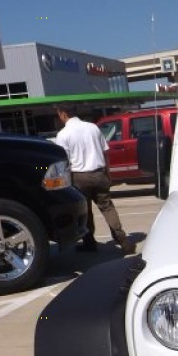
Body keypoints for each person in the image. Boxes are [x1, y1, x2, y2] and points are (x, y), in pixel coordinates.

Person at [53, 104, 135, 254]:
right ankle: (122, 239)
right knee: (107, 207)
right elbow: (105, 152)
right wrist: (108, 173)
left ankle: (89, 242)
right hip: (99, 173)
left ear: (63, 114)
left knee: (85, 211)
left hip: (79, 177)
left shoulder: (63, 135)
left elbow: (63, 163)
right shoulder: (93, 128)